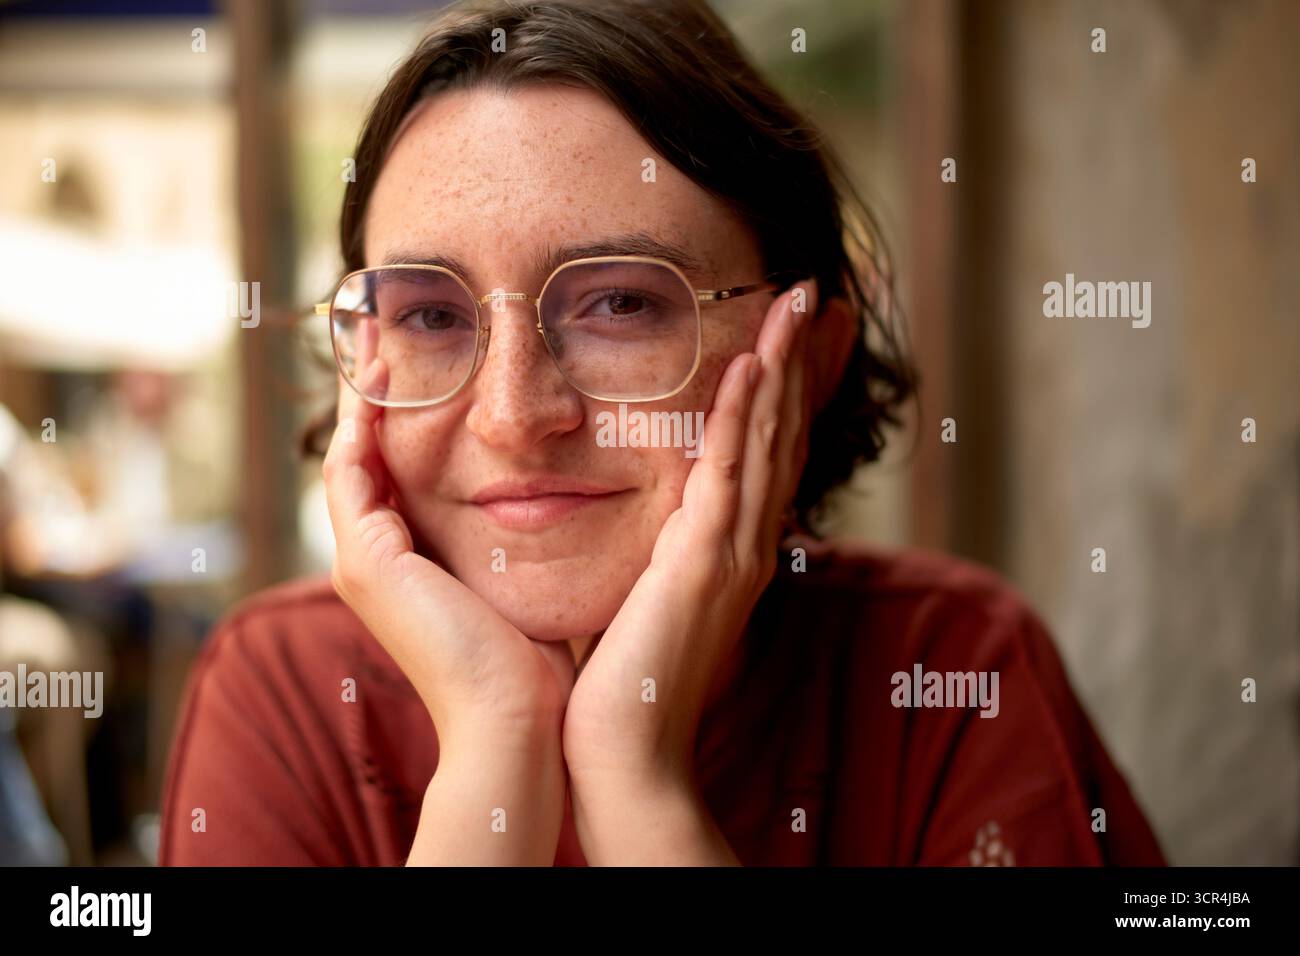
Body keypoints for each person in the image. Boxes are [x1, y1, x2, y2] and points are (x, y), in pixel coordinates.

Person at [160, 0, 1165, 866]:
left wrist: (635, 782)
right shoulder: (282, 692)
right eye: (431, 315)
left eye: (621, 305)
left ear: (805, 358)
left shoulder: (951, 672)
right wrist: (492, 750)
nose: (515, 417)